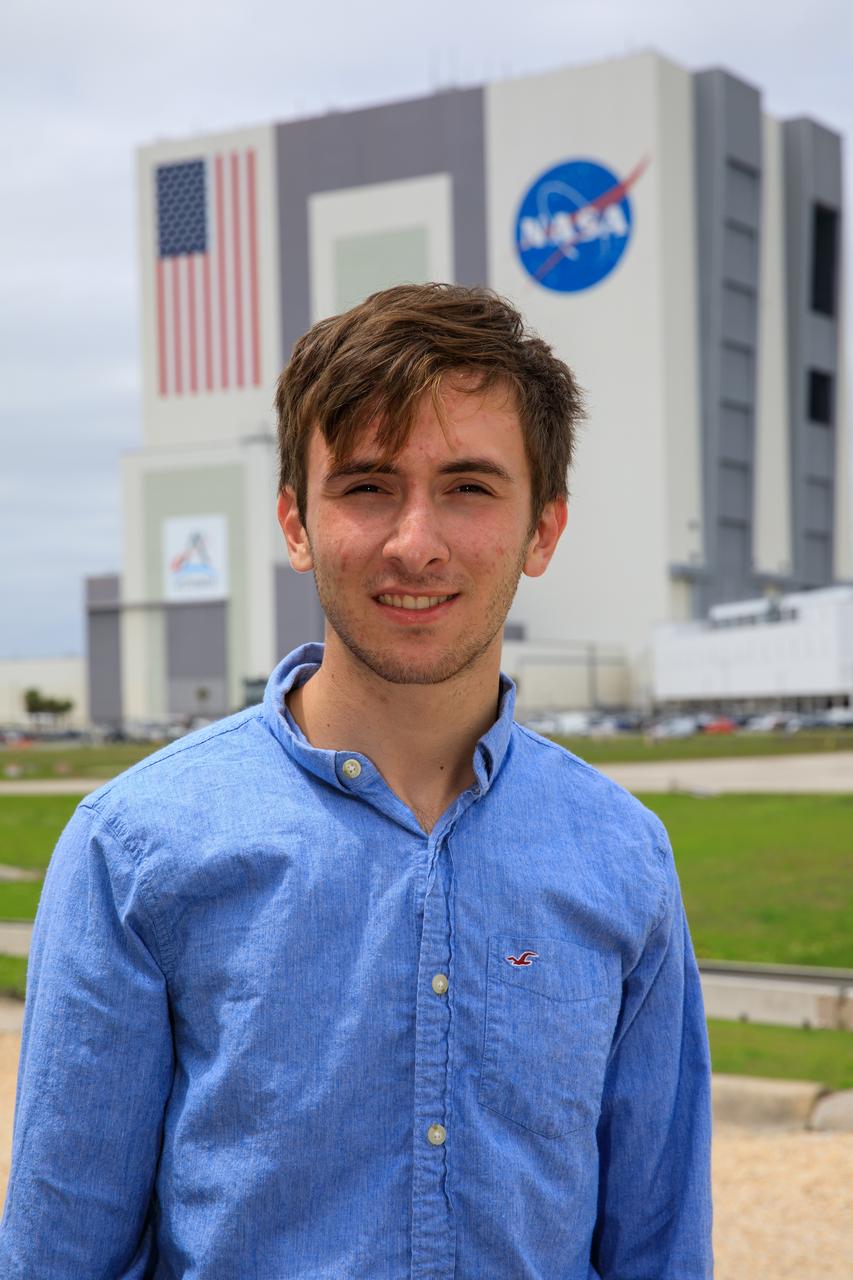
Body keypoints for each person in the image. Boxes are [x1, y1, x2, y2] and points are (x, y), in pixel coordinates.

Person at [0, 283, 713, 1277]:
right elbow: (58, 1253)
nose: (414, 539)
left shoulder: (622, 855)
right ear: (296, 519)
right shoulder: (136, 847)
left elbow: (658, 1241)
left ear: (542, 529)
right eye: (368, 484)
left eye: (469, 485)